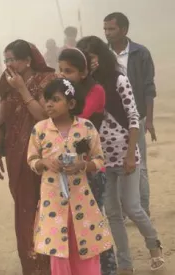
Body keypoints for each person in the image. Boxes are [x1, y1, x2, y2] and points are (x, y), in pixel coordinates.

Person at [77, 36, 164, 274]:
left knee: (132, 207)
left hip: (125, 153)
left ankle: (153, 244)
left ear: (100, 56)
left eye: (91, 57)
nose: (89, 62)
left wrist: (129, 154)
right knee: (113, 213)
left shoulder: (119, 80)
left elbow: (134, 118)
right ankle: (125, 263)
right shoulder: (84, 89)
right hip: (101, 158)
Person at [27, 78, 113, 275]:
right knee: (58, 249)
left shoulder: (86, 127)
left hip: (81, 200)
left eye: (55, 99)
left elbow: (99, 160)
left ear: (71, 104)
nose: (48, 104)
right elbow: (31, 160)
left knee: (86, 245)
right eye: (46, 99)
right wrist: (44, 162)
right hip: (53, 202)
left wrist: (82, 165)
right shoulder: (40, 130)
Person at [0, 40, 56, 275]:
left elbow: (42, 116)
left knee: (44, 208)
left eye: (12, 59)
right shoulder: (5, 81)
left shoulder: (46, 80)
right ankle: (31, 266)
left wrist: (22, 88)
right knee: (24, 209)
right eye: (5, 59)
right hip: (15, 154)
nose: (8, 64)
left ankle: (50, 265)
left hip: (41, 154)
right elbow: (2, 119)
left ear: (27, 60)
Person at [58, 47, 117, 275]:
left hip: (91, 168)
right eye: (60, 70)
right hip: (68, 170)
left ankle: (107, 269)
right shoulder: (64, 96)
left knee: (93, 224)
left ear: (83, 73)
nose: (63, 75)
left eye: (69, 71)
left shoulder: (95, 91)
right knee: (74, 225)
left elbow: (78, 119)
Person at [104, 12, 156, 217]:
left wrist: (149, 119)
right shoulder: (103, 56)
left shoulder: (141, 54)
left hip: (136, 118)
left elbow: (149, 88)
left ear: (124, 30)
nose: (108, 33)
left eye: (112, 29)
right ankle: (122, 210)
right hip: (111, 122)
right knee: (114, 165)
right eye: (105, 29)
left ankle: (142, 208)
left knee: (138, 163)